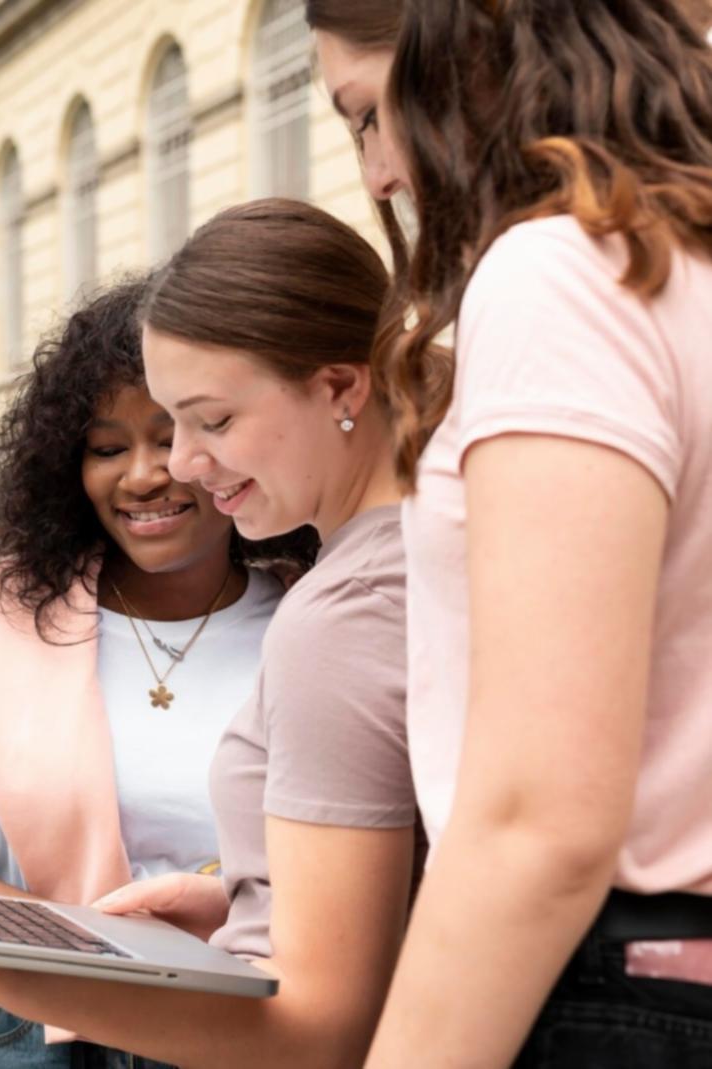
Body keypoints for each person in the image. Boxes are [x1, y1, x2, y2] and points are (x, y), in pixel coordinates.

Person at [0, 199, 427, 1069]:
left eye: (204, 423)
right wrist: (192, 910)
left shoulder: (332, 611)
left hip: (241, 1022)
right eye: (109, 446)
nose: (168, 467)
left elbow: (322, 1020)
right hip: (59, 1032)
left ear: (340, 389)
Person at [335, 3, 712, 1065]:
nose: (377, 176)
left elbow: (539, 822)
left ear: (461, 49)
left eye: (365, 115)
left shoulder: (566, 273)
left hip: (617, 983)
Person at [0, 278, 297, 1068]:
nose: (142, 475)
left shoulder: (314, 619)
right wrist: (103, 943)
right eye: (106, 448)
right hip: (44, 1026)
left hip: (258, 1026)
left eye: (171, 437)